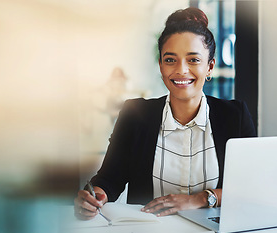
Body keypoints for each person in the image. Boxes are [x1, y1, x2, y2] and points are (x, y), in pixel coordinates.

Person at [74, 7, 256, 220]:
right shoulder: (135, 114)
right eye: (170, 60)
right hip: (149, 231)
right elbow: (109, 179)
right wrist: (94, 198)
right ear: (160, 65)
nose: (181, 70)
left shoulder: (235, 116)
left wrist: (200, 199)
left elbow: (252, 187)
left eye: (193, 60)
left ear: (210, 67)